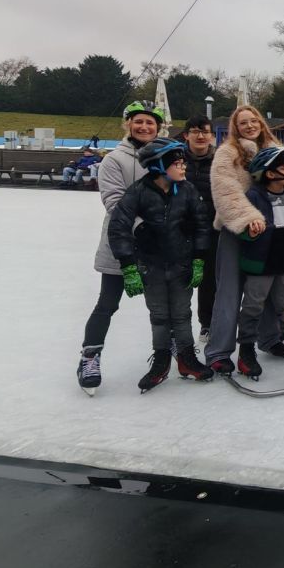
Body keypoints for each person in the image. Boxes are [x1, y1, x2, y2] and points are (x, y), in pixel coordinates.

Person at [205, 105, 284, 375]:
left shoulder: (275, 148)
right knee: (232, 293)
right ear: (236, 127)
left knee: (276, 288)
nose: (250, 126)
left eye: (254, 121)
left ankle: (270, 338)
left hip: (275, 227)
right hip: (240, 226)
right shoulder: (227, 152)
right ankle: (220, 351)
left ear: (261, 123)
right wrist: (249, 219)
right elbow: (226, 191)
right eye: (243, 122)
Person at [105, 137, 214, 391]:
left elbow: (202, 225)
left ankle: (187, 358)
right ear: (158, 166)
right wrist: (128, 266)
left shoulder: (187, 190)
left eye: (183, 163)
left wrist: (199, 259)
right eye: (177, 163)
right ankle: (161, 360)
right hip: (151, 266)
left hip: (181, 266)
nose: (183, 167)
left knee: (182, 313)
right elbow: (118, 228)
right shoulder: (138, 192)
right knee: (160, 316)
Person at [77, 101, 164, 393]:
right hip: (122, 243)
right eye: (138, 121)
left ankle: (169, 350)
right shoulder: (115, 159)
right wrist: (147, 226)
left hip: (159, 246)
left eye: (150, 122)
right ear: (128, 124)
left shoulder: (165, 156)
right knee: (107, 303)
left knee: (163, 304)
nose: (144, 127)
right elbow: (114, 202)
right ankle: (90, 357)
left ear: (158, 127)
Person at [234, 146, 284, 379]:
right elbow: (241, 226)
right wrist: (250, 230)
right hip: (261, 262)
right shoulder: (254, 196)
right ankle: (246, 349)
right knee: (253, 305)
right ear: (271, 174)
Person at [182, 114, 218, 344]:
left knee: (209, 280)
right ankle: (179, 326)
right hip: (181, 230)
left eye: (205, 131)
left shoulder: (220, 161)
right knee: (180, 278)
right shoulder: (176, 159)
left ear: (212, 136)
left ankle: (207, 323)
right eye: (195, 131)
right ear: (186, 135)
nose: (201, 136)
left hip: (211, 229)